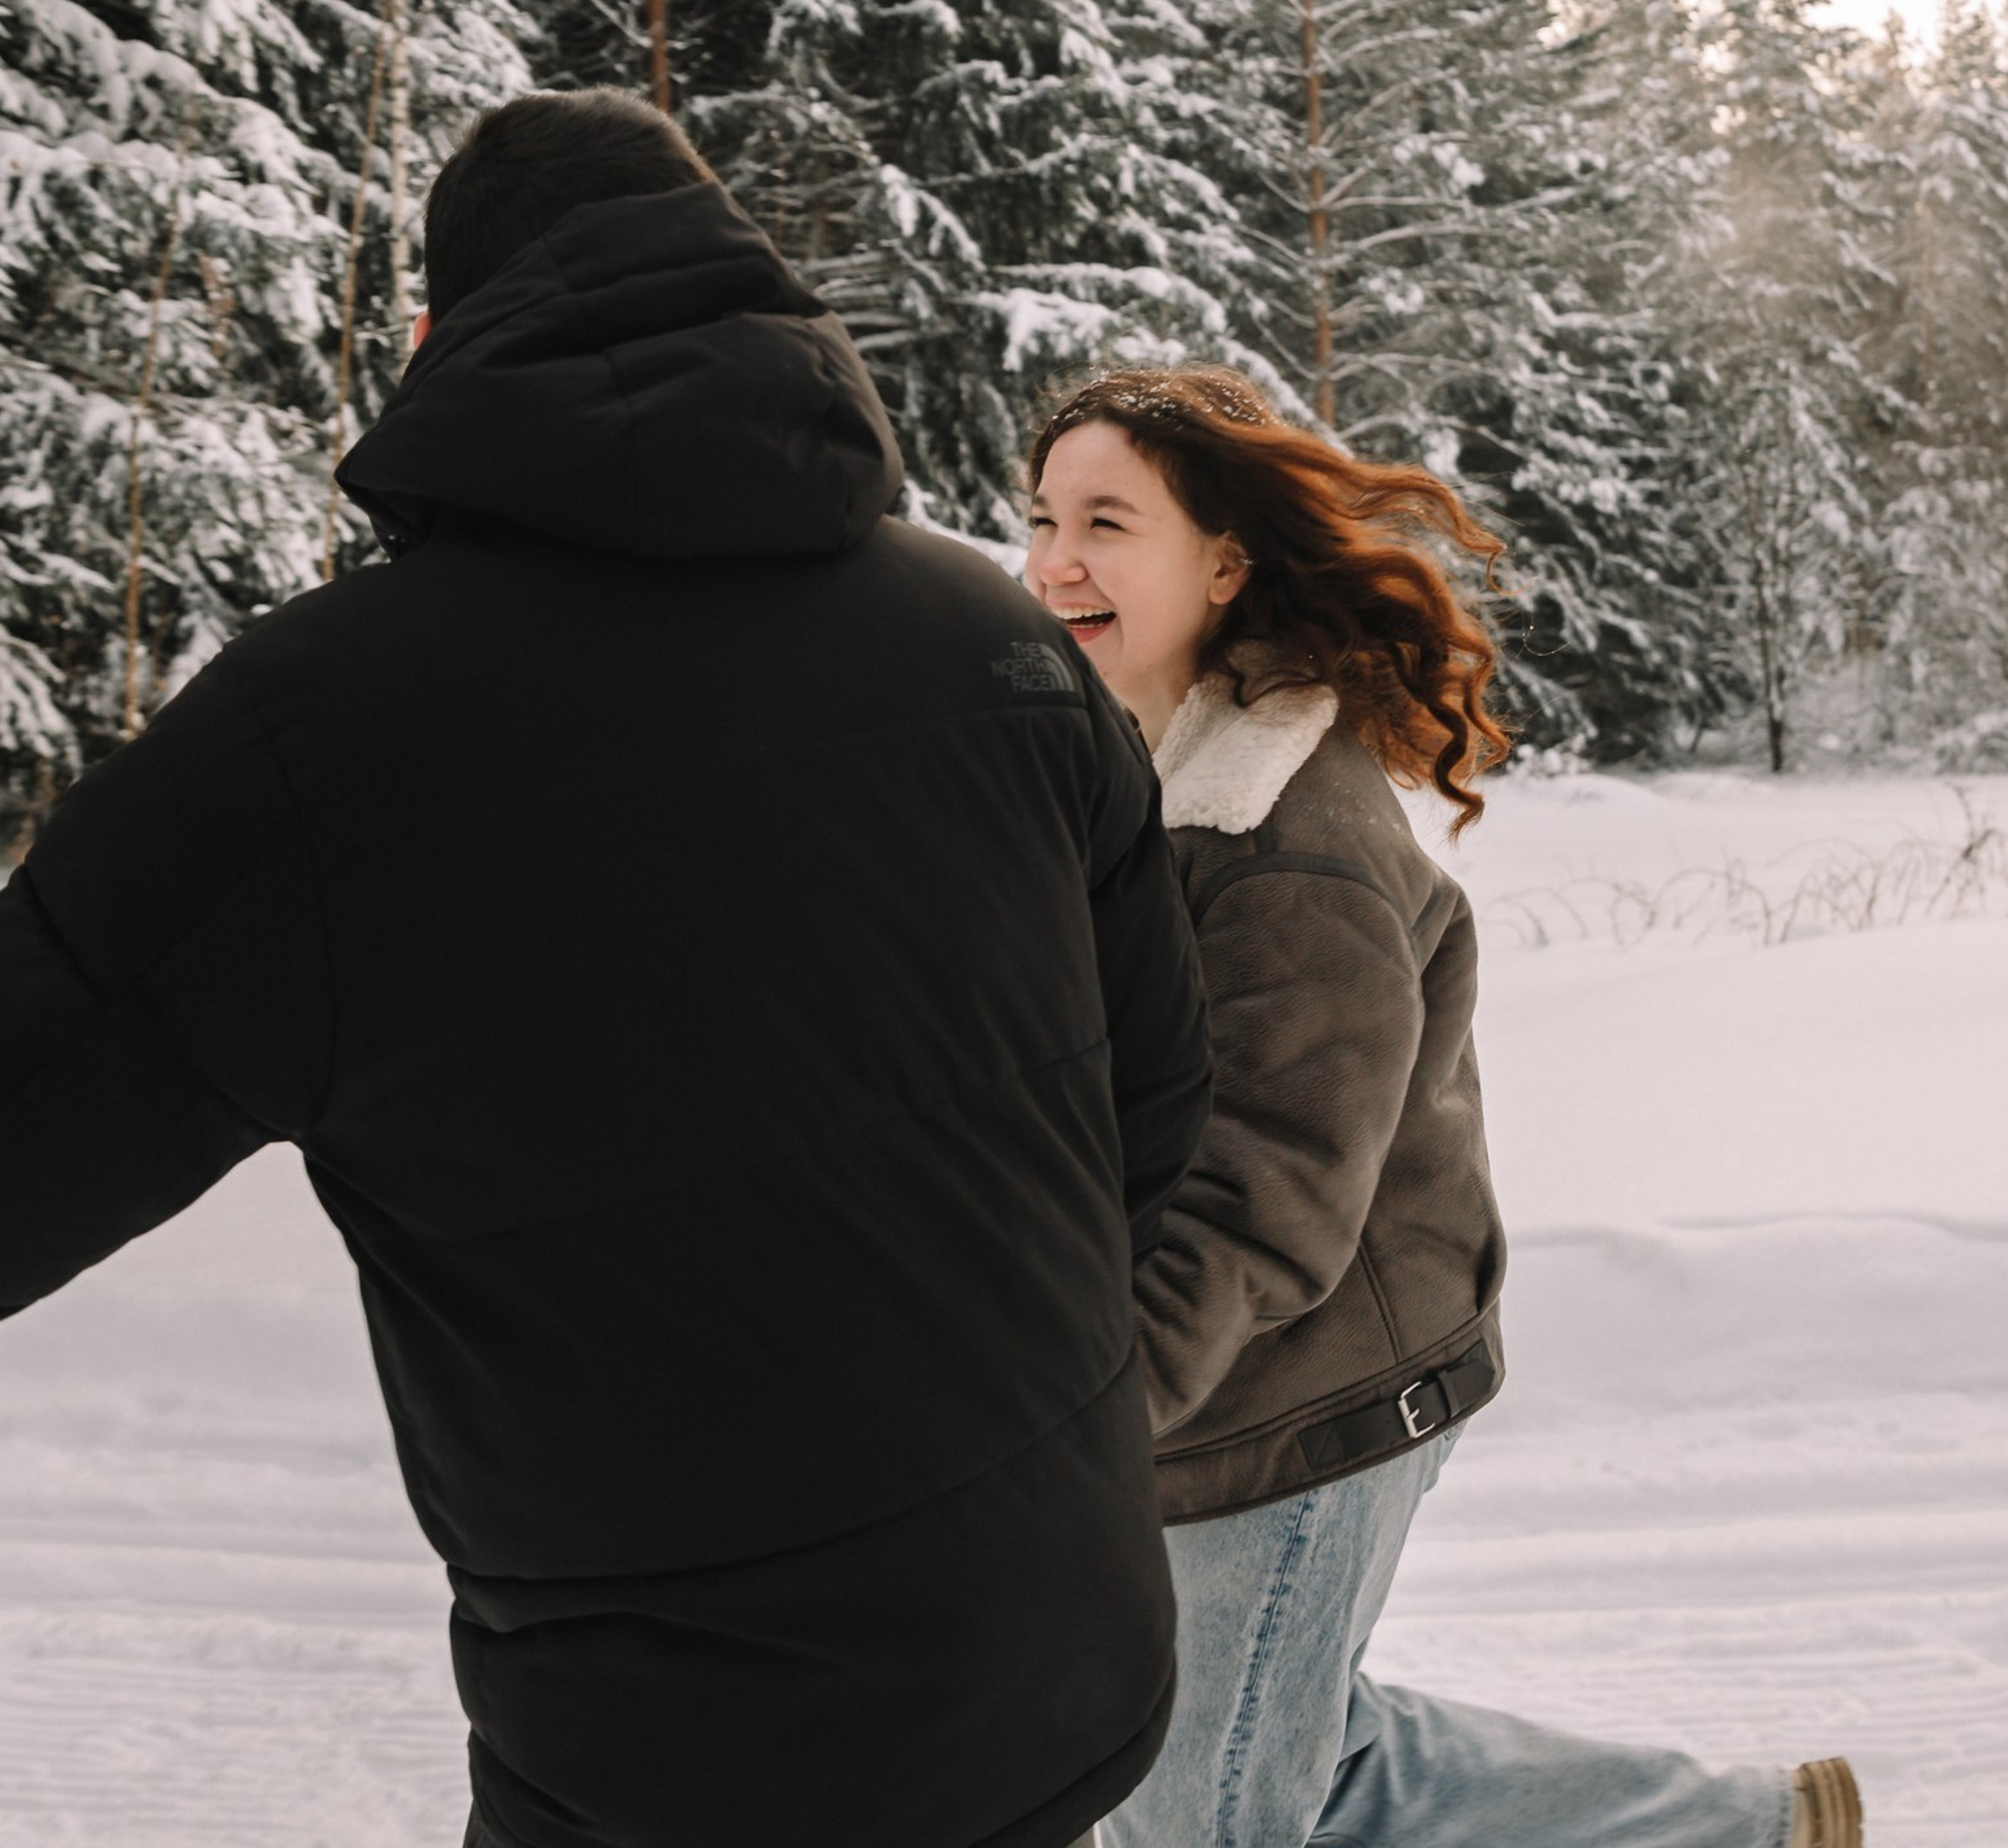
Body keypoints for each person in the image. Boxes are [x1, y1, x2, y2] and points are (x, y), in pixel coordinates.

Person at [0, 90, 1216, 1848]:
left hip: (685, 1741)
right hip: (1067, 1652)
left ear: (440, 341)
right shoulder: (993, 639)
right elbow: (1153, 1101)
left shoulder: (323, 733)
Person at [1021, 366, 1865, 1848]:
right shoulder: (1133, 775)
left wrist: (1097, 1410)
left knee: (1200, 1814)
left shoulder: (1289, 842)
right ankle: (1753, 1834)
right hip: (1192, 1382)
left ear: (1225, 561)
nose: (1056, 562)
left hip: (1304, 1392)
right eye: (1041, 519)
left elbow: (1271, 1189)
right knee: (1290, 1749)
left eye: (1108, 521)